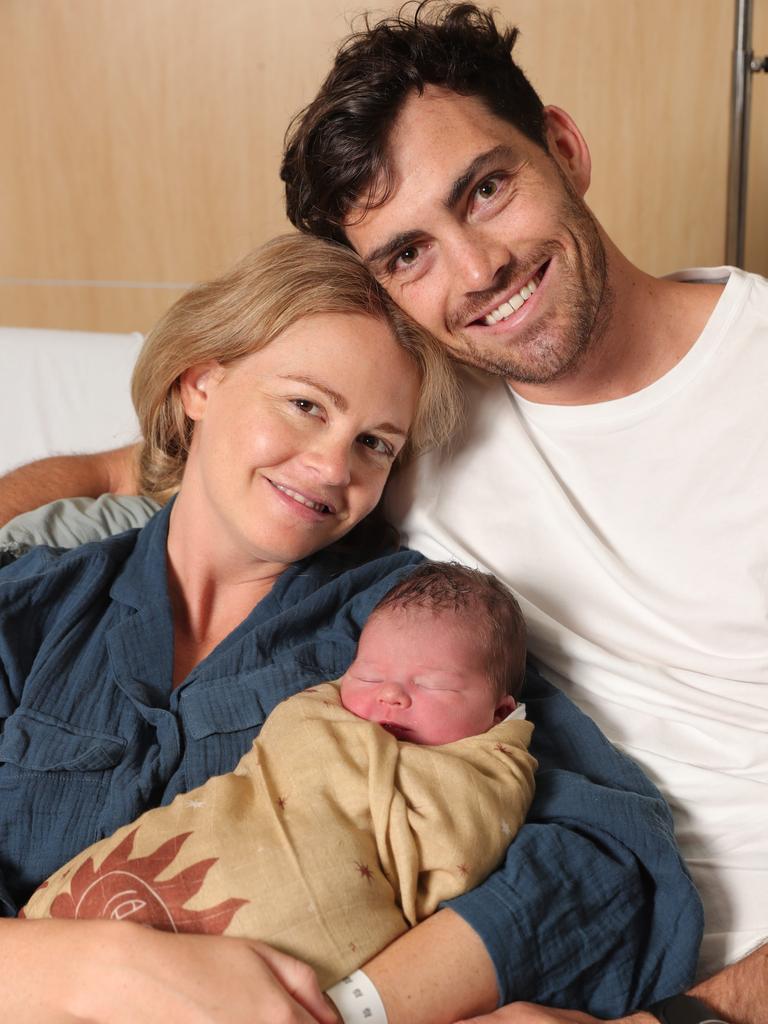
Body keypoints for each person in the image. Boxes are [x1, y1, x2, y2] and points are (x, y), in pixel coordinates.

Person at [0, 5, 717, 1023]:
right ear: (202, 386)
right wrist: (96, 970)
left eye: (376, 443)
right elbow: (118, 467)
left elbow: (608, 854)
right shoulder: (31, 607)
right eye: (305, 406)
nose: (332, 464)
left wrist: (352, 1008)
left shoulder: (400, 622)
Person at [22, 562, 536, 996]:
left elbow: (459, 850)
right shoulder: (321, 716)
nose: (391, 696)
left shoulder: (486, 776)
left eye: (432, 685)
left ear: (499, 713)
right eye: (369, 675)